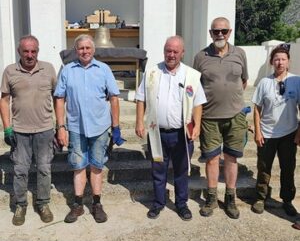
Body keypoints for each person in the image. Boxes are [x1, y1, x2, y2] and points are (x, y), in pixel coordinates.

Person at [54, 34, 124, 223]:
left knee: (97, 166)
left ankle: (96, 203)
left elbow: (114, 98)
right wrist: (61, 126)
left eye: (88, 48)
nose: (84, 51)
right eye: (80, 48)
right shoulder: (67, 70)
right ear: (75, 51)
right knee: (78, 166)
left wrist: (115, 126)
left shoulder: (103, 69)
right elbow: (59, 98)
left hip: (100, 127)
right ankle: (77, 205)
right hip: (76, 128)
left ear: (93, 50)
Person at [135, 36, 206, 221]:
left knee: (181, 171)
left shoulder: (191, 75)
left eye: (175, 51)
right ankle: (158, 203)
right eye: (168, 50)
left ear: (182, 53)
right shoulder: (151, 72)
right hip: (156, 133)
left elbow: (198, 103)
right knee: (158, 170)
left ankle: (181, 204)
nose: (171, 55)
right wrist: (138, 122)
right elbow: (141, 98)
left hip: (182, 134)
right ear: (164, 51)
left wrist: (197, 125)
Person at [193, 17, 248, 219]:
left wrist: (231, 99)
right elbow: (194, 87)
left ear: (230, 32)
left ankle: (231, 198)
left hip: (235, 116)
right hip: (209, 117)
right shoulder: (201, 57)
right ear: (210, 33)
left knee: (232, 159)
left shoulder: (240, 54)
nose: (220, 35)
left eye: (224, 31)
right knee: (211, 159)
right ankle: (211, 198)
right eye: (216, 31)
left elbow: (244, 81)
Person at [0, 35, 56, 226]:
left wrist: (61, 125)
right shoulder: (10, 71)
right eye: (26, 51)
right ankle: (20, 205)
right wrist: (7, 128)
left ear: (38, 51)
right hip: (20, 131)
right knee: (20, 170)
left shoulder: (48, 69)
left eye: (33, 51)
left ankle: (43, 204)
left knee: (44, 169)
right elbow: (4, 100)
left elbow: (58, 97)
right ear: (19, 52)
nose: (30, 55)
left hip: (45, 129)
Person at [251, 44, 300, 216]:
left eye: (283, 59)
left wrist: (299, 133)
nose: (280, 62)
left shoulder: (296, 81)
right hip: (267, 133)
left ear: (288, 62)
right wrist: (257, 131)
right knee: (264, 168)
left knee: (288, 168)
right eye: (277, 59)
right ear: (272, 62)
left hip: (289, 134)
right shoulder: (264, 82)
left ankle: (287, 200)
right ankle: (260, 198)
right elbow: (256, 108)